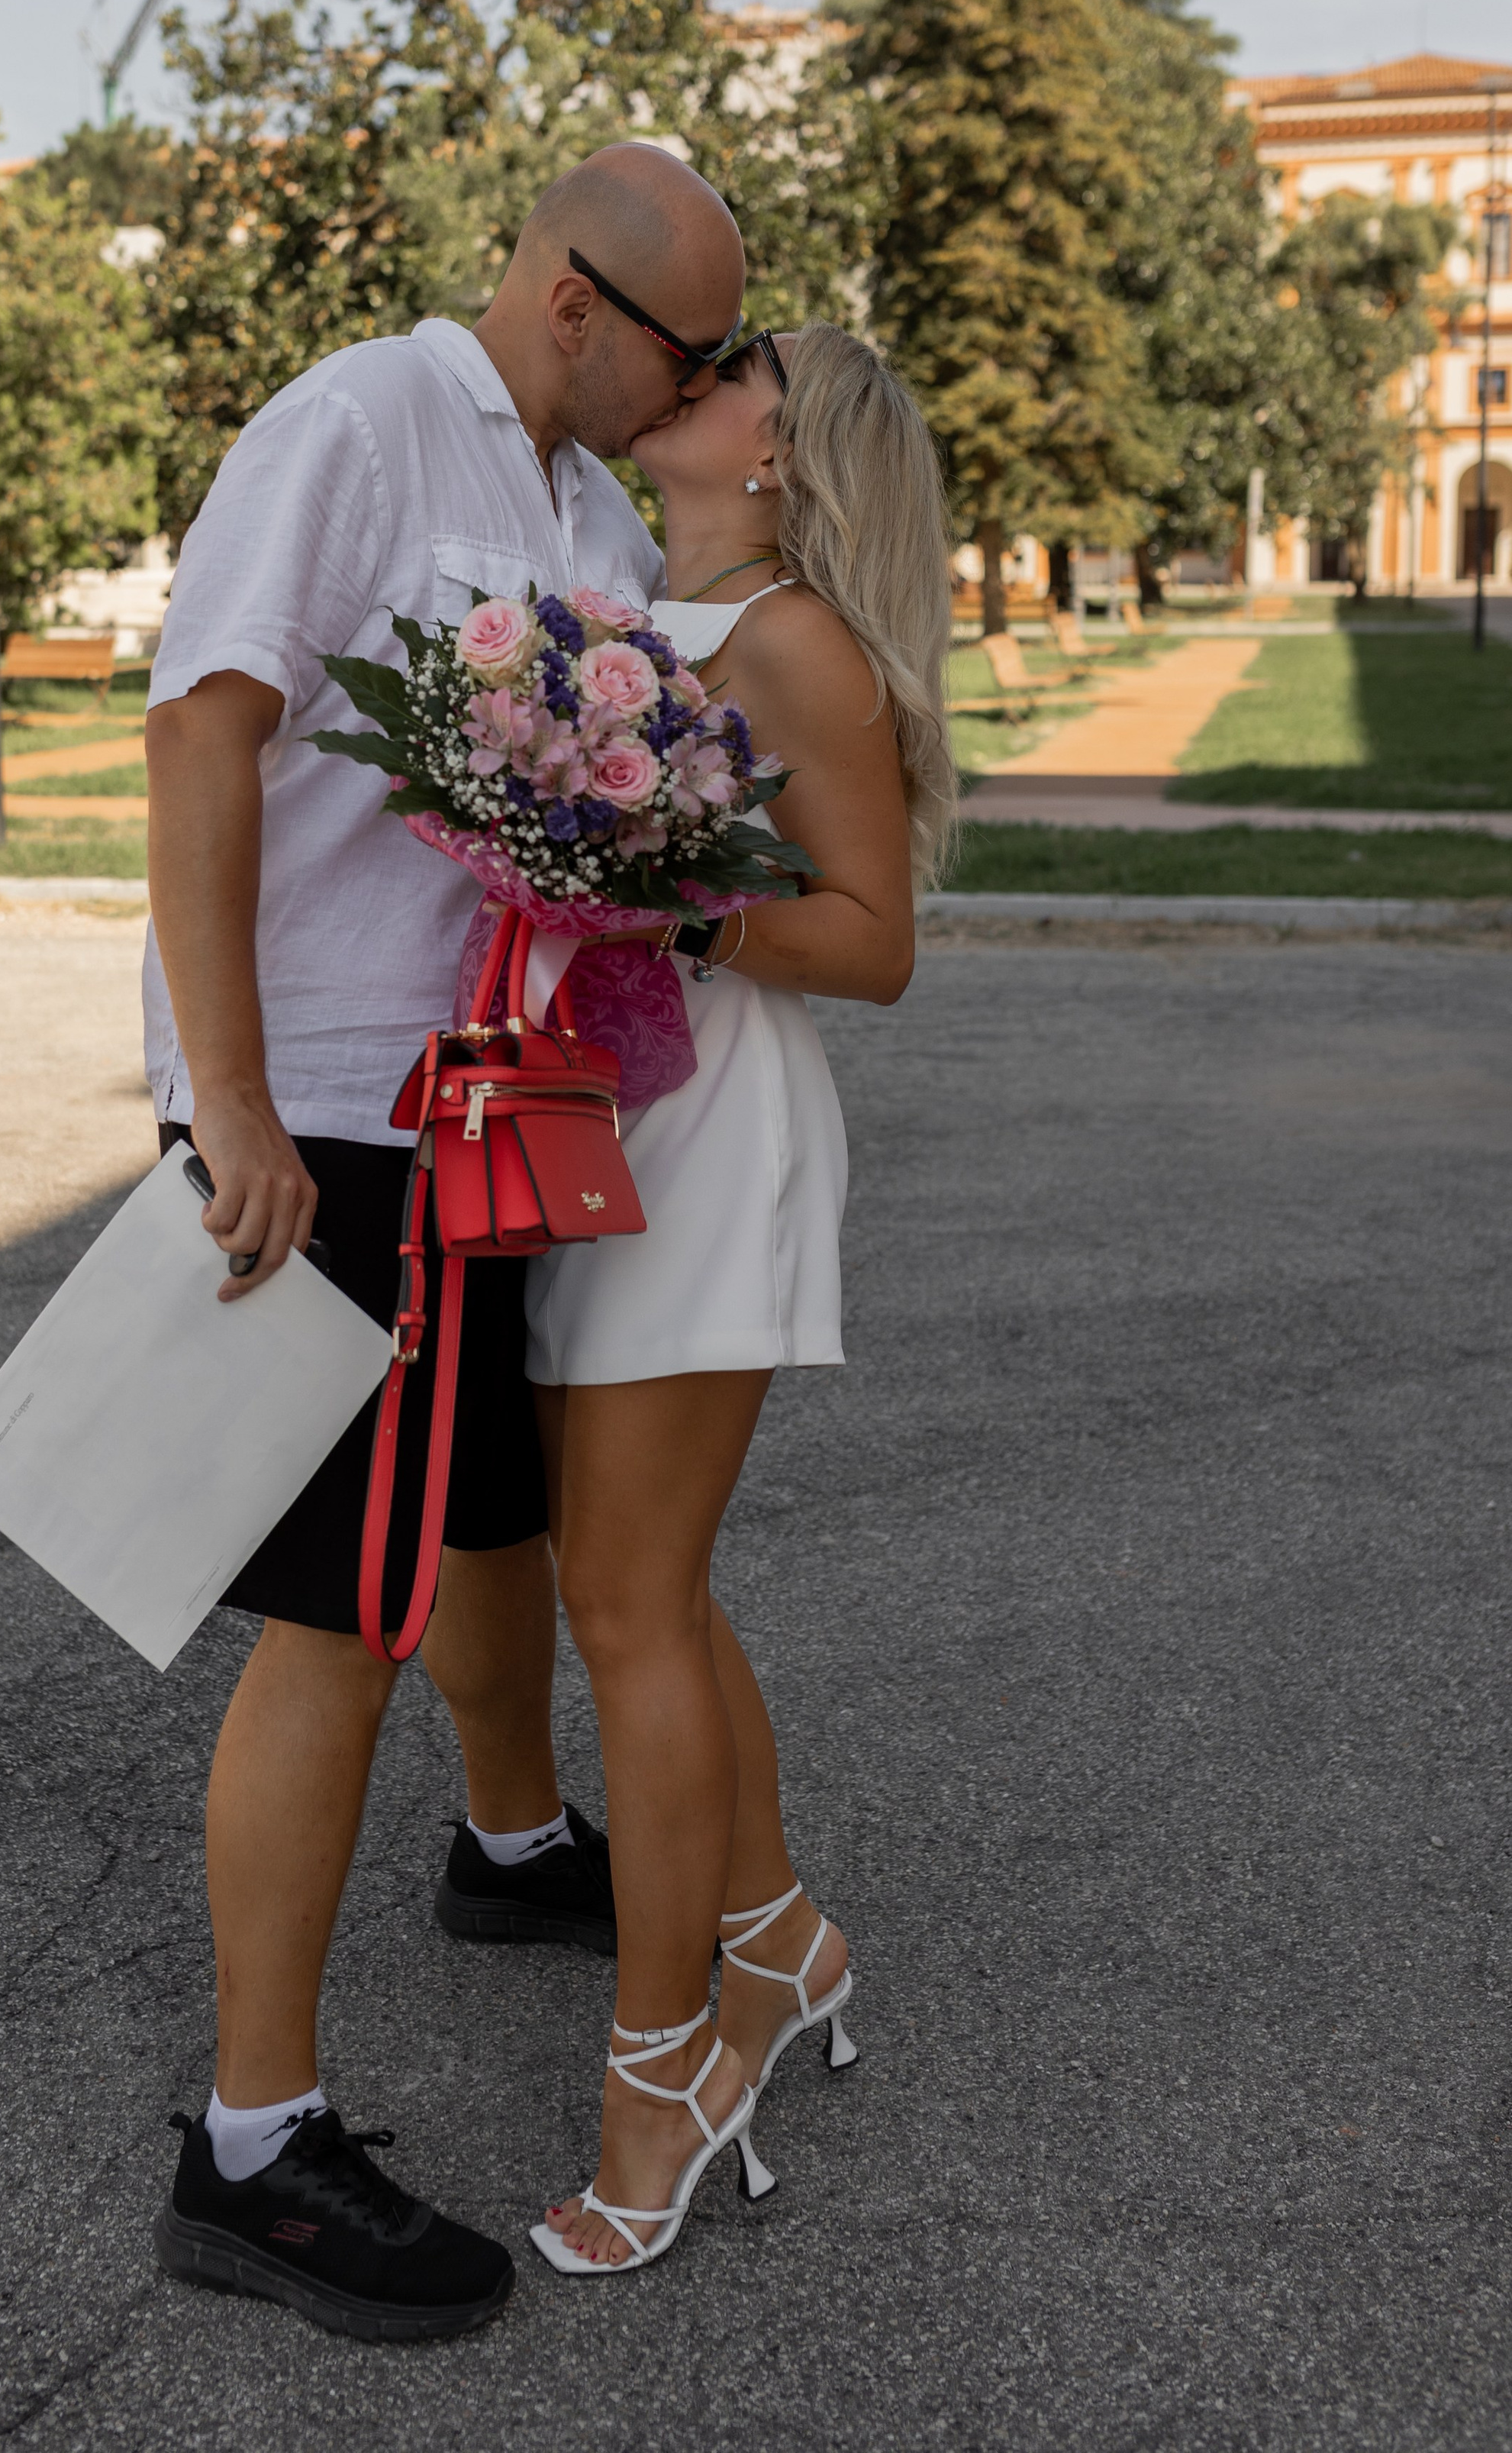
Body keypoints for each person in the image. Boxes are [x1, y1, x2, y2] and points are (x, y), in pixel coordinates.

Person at [143, 145, 748, 2340]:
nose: (708, 388)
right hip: (326, 1111)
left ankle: (508, 1850)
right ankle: (250, 2147)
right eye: (694, 348)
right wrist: (226, 1104)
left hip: (490, 1103)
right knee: (343, 1614)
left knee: (475, 1522)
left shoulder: (586, 513)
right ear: (578, 300)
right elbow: (203, 736)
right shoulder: (358, 425)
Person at [524, 320, 958, 2273]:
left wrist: (658, 877)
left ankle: (665, 2065)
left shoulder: (791, 638)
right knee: (644, 1591)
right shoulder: (623, 604)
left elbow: (873, 946)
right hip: (596, 1118)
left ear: (785, 451)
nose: (691, 375)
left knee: (619, 1604)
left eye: (733, 370)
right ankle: (778, 1939)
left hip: (714, 1150)